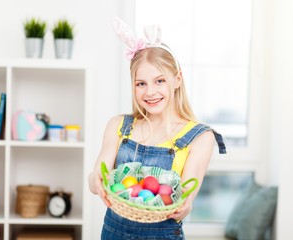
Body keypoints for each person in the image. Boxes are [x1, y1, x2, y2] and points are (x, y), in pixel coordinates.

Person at [88, 17, 226, 240]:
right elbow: (97, 175)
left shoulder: (200, 138)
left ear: (177, 79)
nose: (150, 92)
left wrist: (183, 207)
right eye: (141, 83)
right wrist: (96, 181)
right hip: (112, 233)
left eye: (159, 81)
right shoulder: (119, 126)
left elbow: (187, 197)